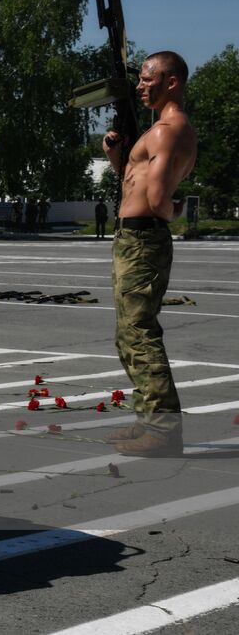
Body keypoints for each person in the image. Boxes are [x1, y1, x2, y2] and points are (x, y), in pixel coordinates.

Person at [102, 51, 197, 457]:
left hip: (142, 240)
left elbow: (157, 199)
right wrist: (116, 160)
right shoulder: (169, 129)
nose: (140, 86)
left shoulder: (164, 131)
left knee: (139, 334)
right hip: (137, 239)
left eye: (147, 79)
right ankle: (149, 420)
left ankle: (162, 429)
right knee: (131, 334)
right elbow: (140, 182)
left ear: (171, 82)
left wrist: (174, 211)